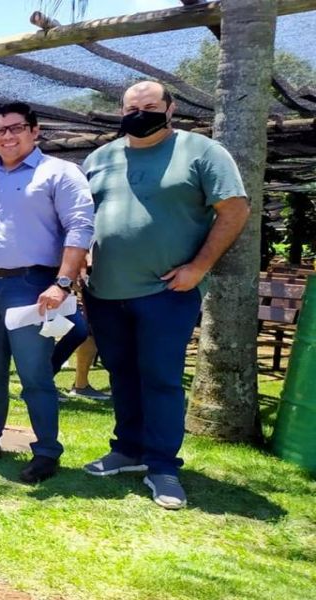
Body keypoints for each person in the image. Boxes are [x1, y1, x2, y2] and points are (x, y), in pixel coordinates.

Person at [82, 81, 249, 509]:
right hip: (105, 292)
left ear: (170, 109)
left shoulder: (202, 151)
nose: (140, 113)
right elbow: (80, 216)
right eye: (131, 108)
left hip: (167, 292)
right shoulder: (99, 159)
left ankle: (162, 467)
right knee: (121, 374)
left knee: (160, 379)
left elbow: (234, 209)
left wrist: (199, 267)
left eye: (150, 105)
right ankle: (127, 450)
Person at [0, 102, 94, 485]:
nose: (7, 136)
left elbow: (79, 227)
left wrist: (62, 283)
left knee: (34, 374)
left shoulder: (59, 173)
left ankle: (46, 452)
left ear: (34, 131)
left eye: (16, 128)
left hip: (32, 285)